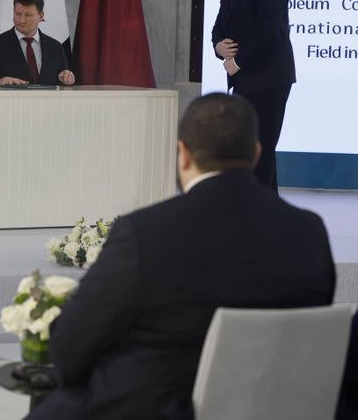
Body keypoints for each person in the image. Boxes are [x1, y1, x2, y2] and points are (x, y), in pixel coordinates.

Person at [26, 93, 336, 420]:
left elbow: (69, 350)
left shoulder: (144, 233)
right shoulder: (309, 232)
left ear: (183, 154)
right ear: (257, 154)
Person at [211, 0, 295, 192]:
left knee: (262, 148)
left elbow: (269, 34)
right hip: (245, 81)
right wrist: (218, 46)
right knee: (249, 149)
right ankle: (265, 213)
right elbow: (219, 26)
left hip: (269, 79)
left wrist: (236, 61)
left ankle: (261, 216)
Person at [0, 0, 74, 87]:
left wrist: (66, 80)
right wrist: (0, 81)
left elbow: (62, 82)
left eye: (28, 15)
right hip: (10, 101)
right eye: (18, 14)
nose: (22, 20)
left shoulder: (55, 47)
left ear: (41, 16)